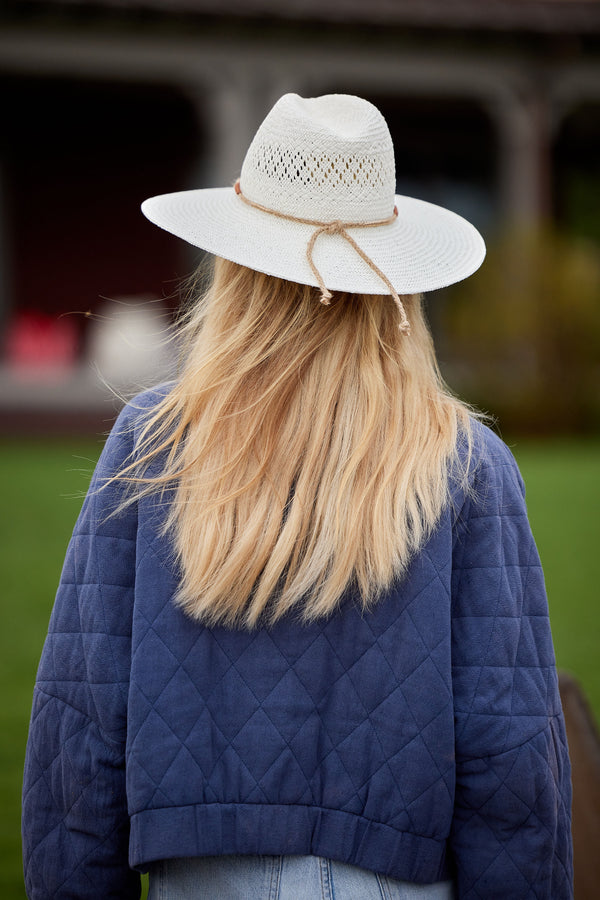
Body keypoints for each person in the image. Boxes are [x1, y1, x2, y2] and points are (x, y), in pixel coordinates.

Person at [22, 93, 572, 899]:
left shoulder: (156, 440)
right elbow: (510, 745)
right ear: (395, 282)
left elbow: (82, 718)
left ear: (237, 267)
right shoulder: (466, 463)